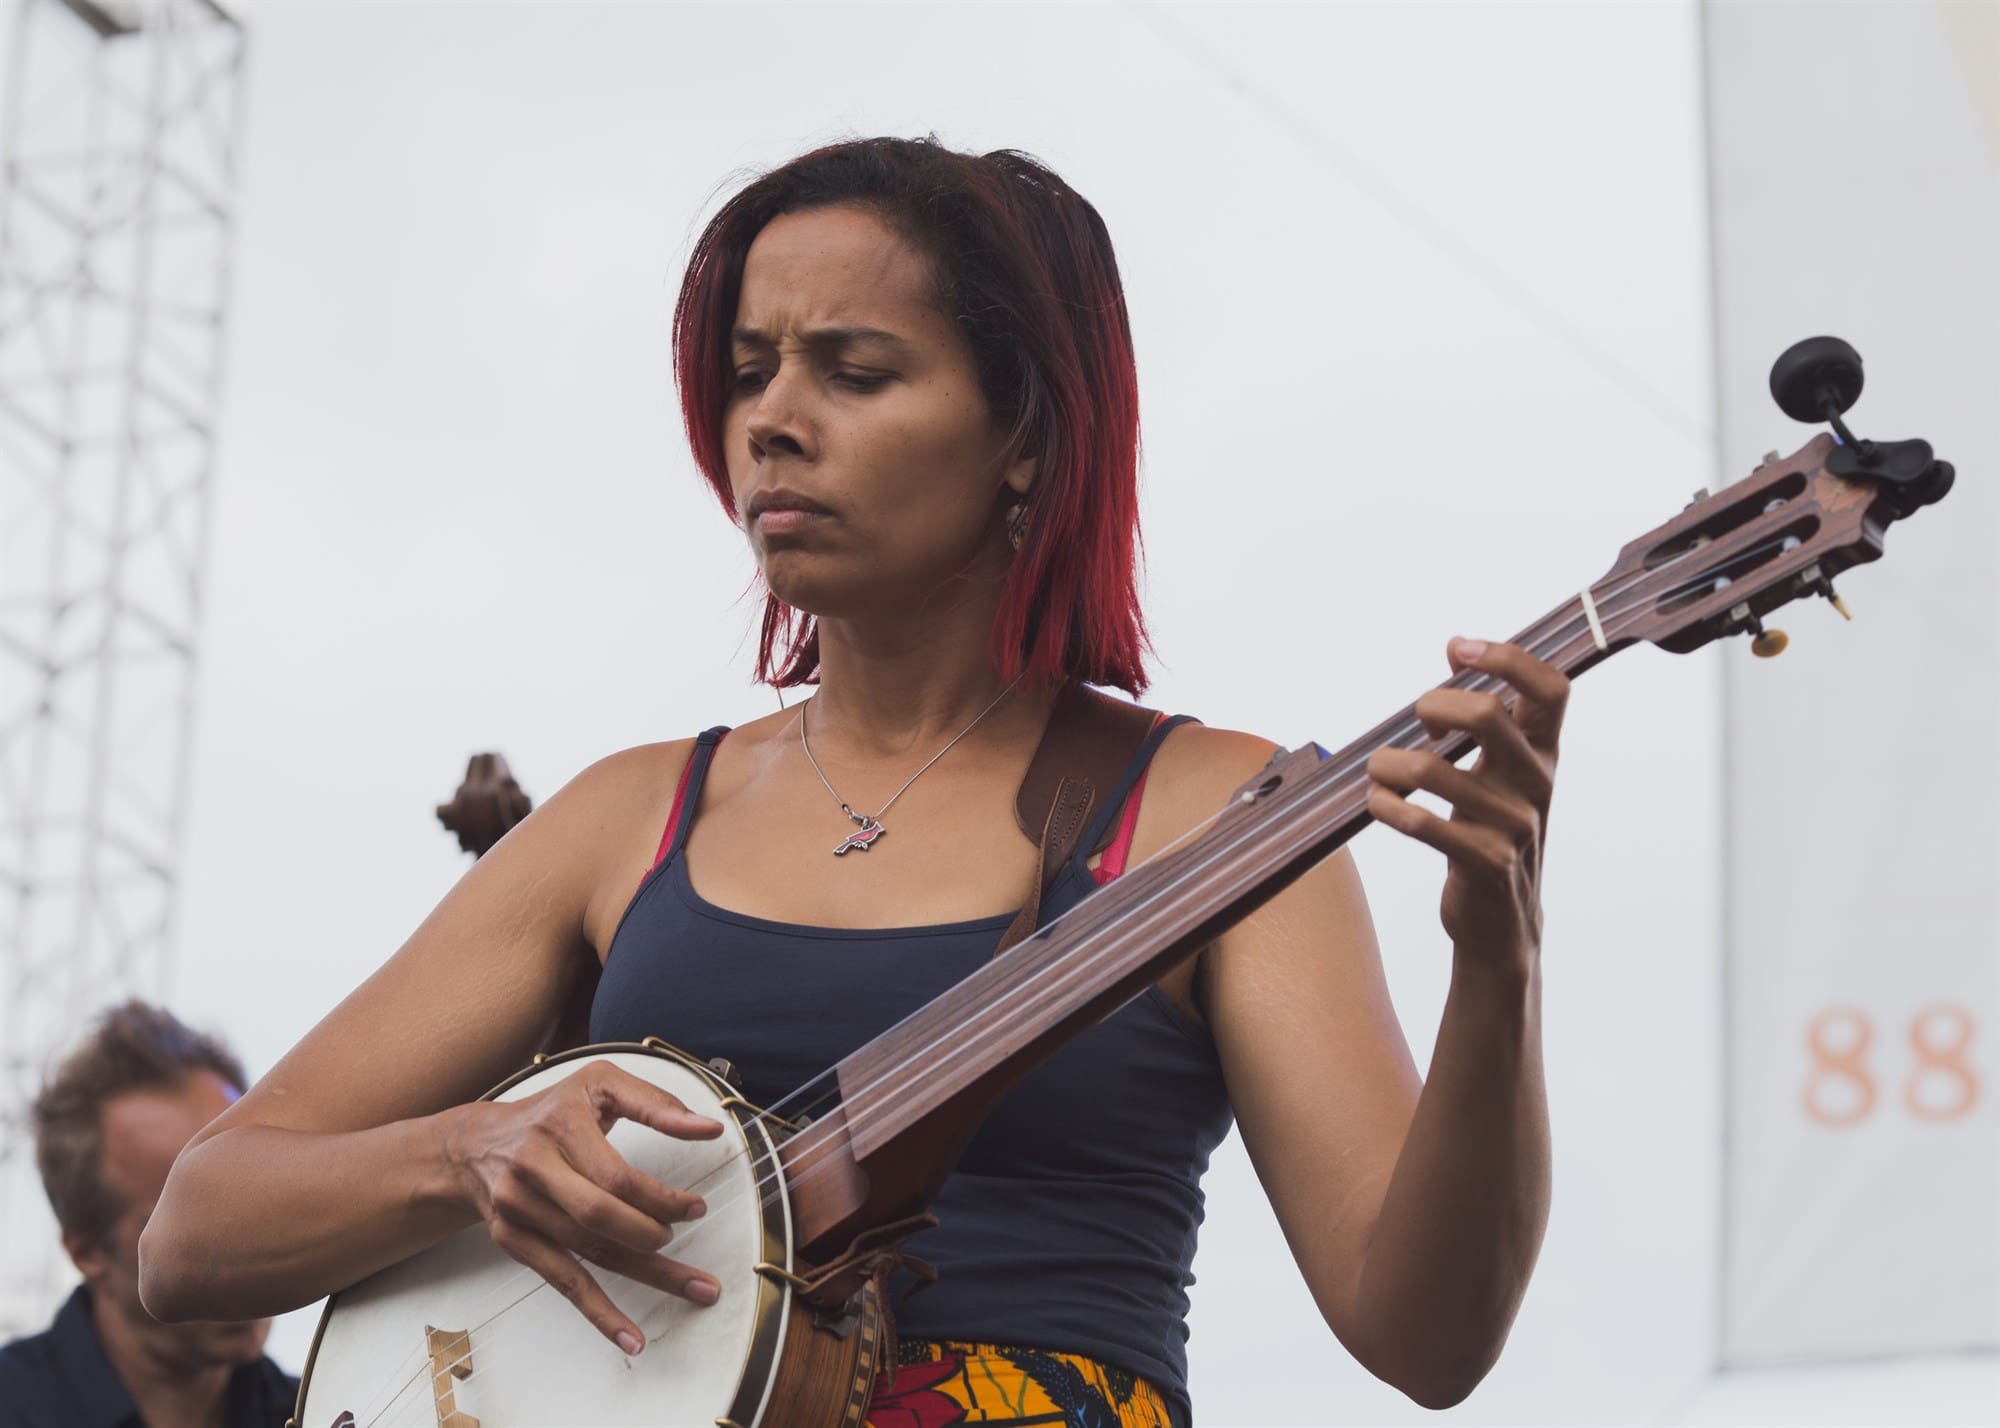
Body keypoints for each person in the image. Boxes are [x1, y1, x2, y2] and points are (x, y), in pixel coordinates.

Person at [138, 136, 1567, 1427]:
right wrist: (470, 1153)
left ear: (1027, 436)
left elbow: (1425, 1340)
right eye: (749, 370)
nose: (771, 419)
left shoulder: (1219, 815)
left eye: (854, 372)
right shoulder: (631, 817)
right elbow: (195, 1228)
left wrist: (1497, 958)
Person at [0, 1002, 298, 1428]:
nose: (245, 1242)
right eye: (188, 1223)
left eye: (251, 1195)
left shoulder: (323, 1410)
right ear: (88, 1253)